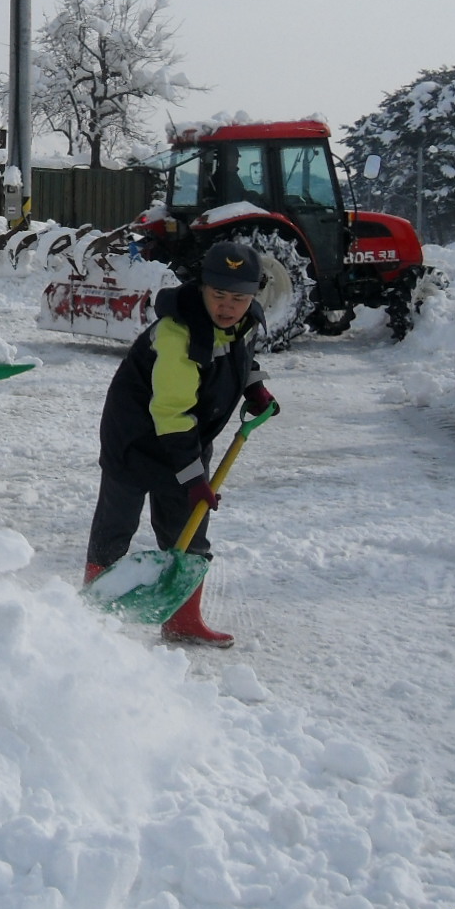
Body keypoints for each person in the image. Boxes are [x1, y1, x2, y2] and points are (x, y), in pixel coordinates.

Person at [83, 238, 277, 648]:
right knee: (116, 525)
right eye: (218, 295)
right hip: (135, 438)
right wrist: (194, 478)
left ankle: (183, 621)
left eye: (239, 298)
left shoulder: (242, 322)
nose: (228, 307)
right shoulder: (177, 334)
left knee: (188, 528)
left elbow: (240, 356)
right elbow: (171, 413)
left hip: (188, 436)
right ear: (201, 287)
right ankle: (88, 616)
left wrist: (254, 386)